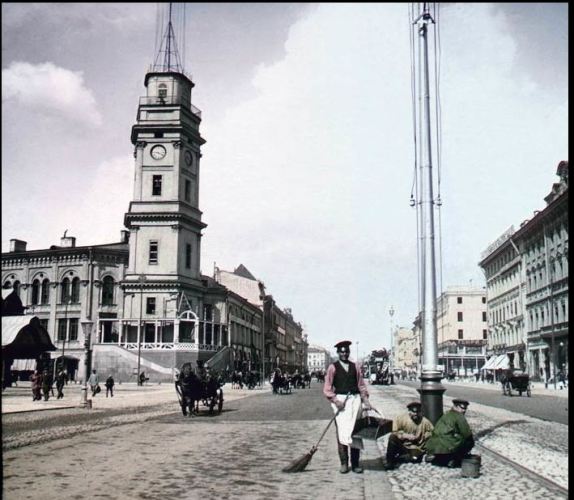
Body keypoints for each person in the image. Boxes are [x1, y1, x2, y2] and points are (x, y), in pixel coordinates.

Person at [323, 340, 371, 474]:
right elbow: (327, 388)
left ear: (349, 352)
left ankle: (355, 464)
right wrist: (335, 400)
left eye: (346, 351)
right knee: (342, 433)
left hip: (355, 401)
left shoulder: (355, 366)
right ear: (338, 353)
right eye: (342, 352)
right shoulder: (332, 368)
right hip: (341, 403)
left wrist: (365, 400)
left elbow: (361, 385)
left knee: (356, 433)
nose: (344, 354)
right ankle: (344, 463)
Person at [425, 398, 475, 468]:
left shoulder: (446, 414)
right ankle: (454, 459)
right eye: (462, 408)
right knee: (468, 442)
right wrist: (471, 443)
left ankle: (438, 457)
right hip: (447, 445)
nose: (464, 410)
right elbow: (467, 434)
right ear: (455, 406)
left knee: (449, 439)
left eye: (465, 408)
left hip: (433, 445)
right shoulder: (459, 416)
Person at [384, 401, 434, 470]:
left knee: (414, 459)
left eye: (418, 412)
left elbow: (433, 433)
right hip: (403, 445)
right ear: (409, 411)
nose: (415, 414)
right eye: (413, 412)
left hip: (416, 448)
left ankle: (403, 457)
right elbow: (395, 432)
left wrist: (425, 436)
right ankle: (390, 462)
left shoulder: (425, 422)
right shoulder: (400, 418)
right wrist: (405, 435)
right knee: (392, 437)